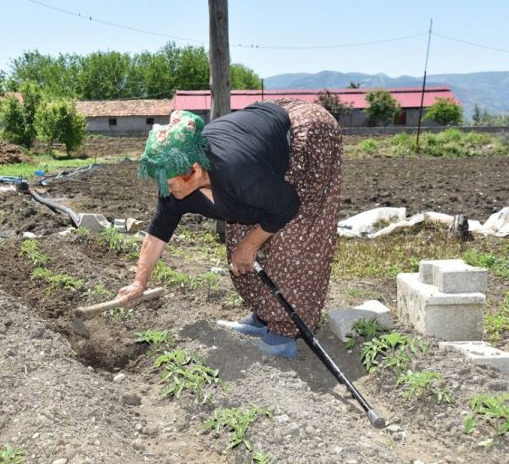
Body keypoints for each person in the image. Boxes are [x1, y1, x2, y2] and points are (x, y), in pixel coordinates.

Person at [117, 99, 342, 357]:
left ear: (194, 169)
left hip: (304, 129)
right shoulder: (174, 187)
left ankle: (284, 333)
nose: (165, 186)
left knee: (294, 233)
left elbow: (287, 204)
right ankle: (264, 315)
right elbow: (157, 233)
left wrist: (252, 243)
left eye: (170, 179)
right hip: (258, 142)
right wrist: (139, 282)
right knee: (240, 233)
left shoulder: (237, 171)